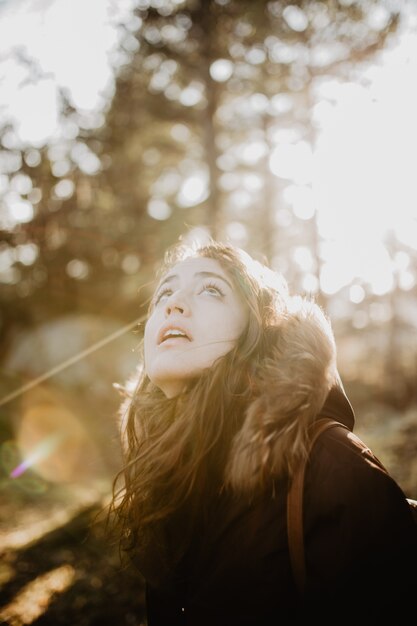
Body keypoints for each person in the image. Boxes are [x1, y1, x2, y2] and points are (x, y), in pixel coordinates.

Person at [108, 238, 417, 625]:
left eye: (210, 289)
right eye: (164, 293)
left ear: (257, 329)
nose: (173, 303)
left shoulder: (335, 472)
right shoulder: (160, 477)